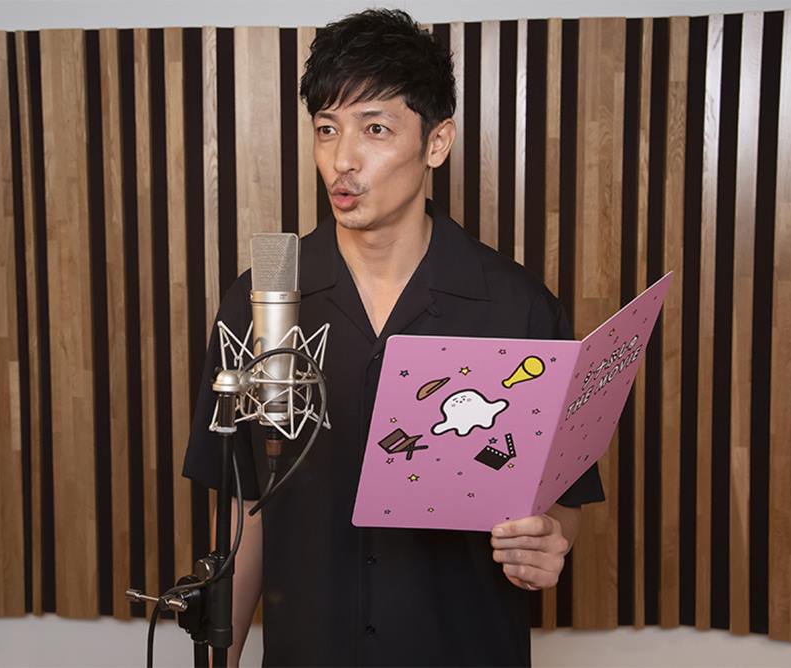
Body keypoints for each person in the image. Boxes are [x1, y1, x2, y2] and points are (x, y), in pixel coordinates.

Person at [182, 9, 604, 666]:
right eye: (327, 129)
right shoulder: (260, 299)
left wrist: (550, 540)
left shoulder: (518, 306)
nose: (342, 160)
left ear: (437, 142)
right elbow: (245, 508)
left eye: (375, 128)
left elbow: (564, 498)